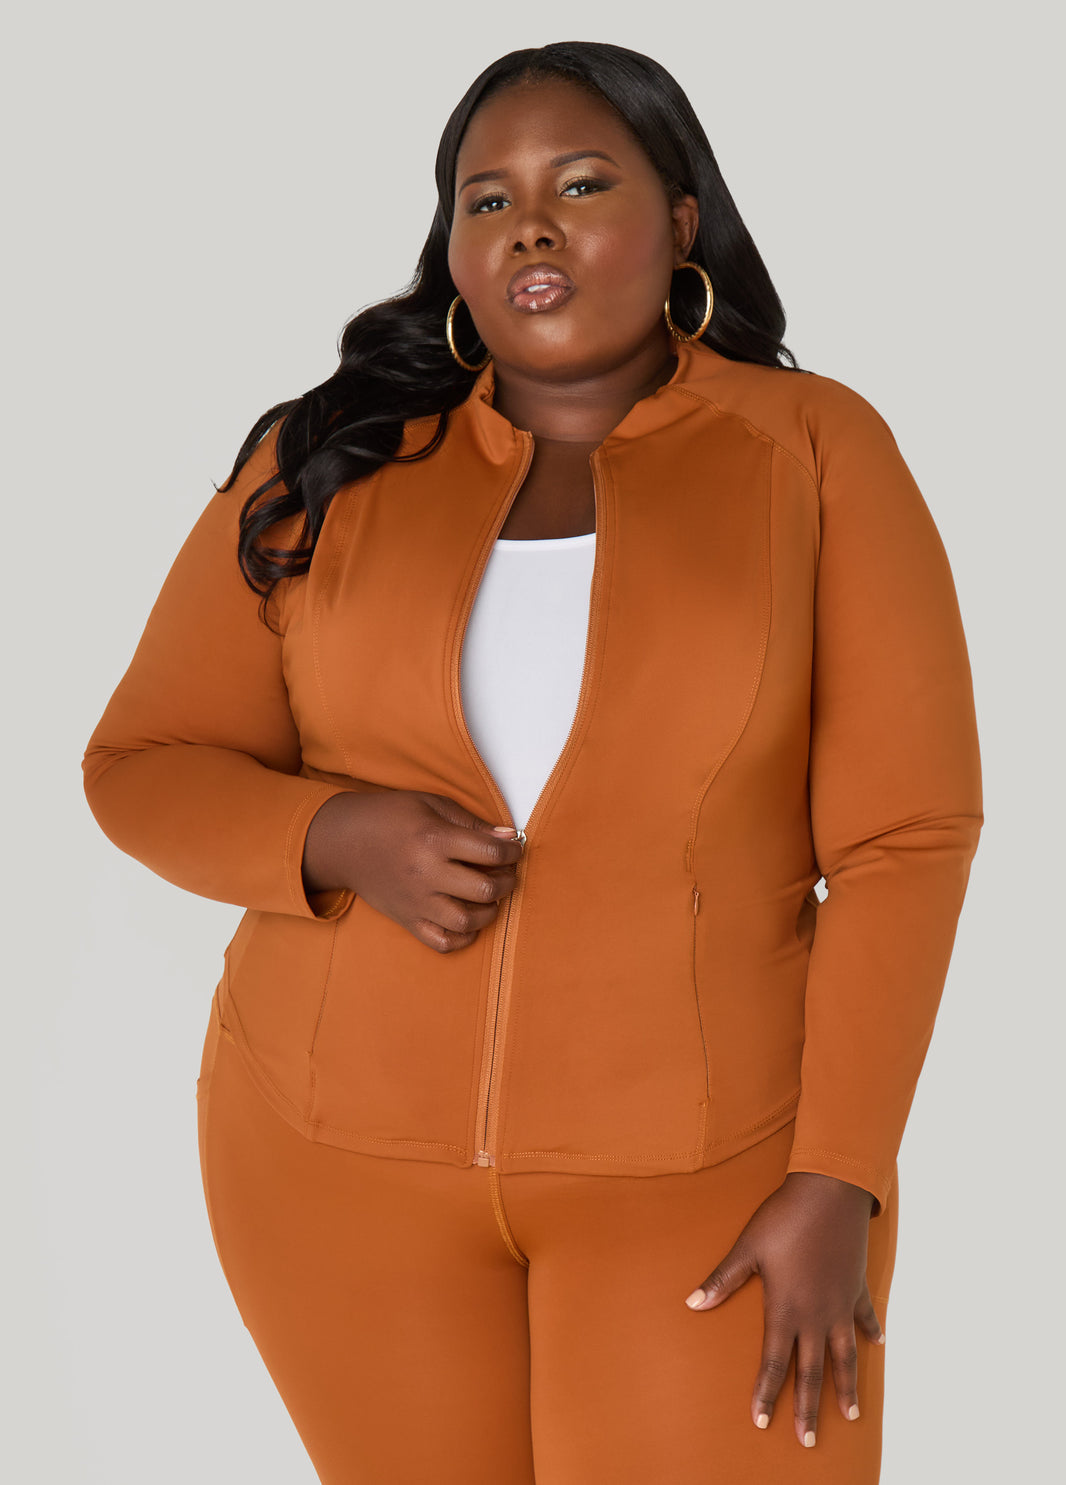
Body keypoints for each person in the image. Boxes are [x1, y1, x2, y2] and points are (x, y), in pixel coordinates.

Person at [82, 40, 983, 1485]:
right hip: (333, 1157)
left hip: (707, 1168)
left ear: (680, 220)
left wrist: (843, 1173)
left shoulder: (813, 453)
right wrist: (336, 835)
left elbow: (903, 838)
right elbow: (143, 760)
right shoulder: (329, 458)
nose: (530, 229)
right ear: (452, 248)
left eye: (580, 185)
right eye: (486, 200)